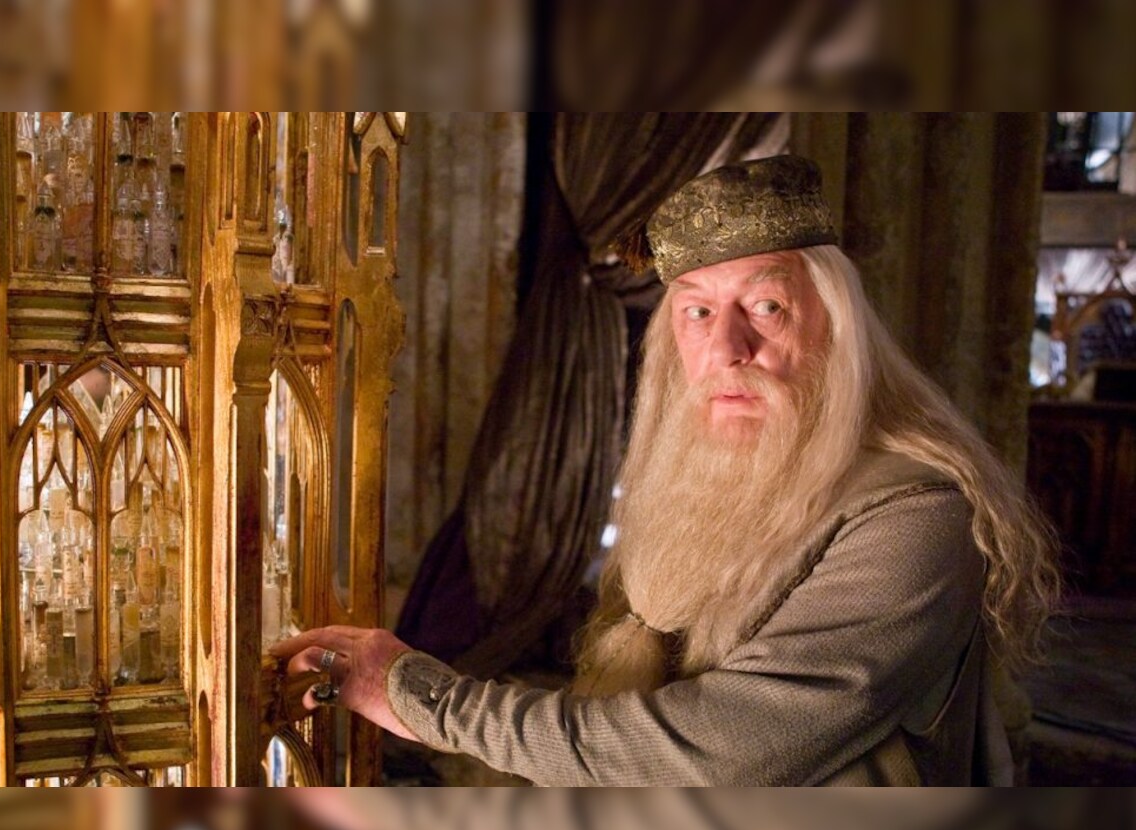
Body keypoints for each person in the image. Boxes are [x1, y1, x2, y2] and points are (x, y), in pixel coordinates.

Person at [272, 155, 1059, 786]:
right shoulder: (710, 483)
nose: (726, 350)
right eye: (697, 312)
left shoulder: (917, 515)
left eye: (768, 307)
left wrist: (426, 700)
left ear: (839, 329)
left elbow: (726, 749)